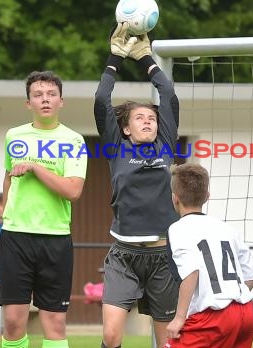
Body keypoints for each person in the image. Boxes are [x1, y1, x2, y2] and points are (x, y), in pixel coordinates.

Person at [94, 22, 180, 348]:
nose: (148, 121)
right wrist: (116, 58)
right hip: (124, 256)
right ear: (126, 129)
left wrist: (146, 57)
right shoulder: (117, 148)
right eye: (140, 118)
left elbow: (168, 94)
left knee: (168, 342)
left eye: (152, 118)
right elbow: (103, 98)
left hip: (163, 257)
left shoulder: (166, 146)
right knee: (111, 335)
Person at [0, 70, 88, 348]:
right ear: (28, 103)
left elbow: (73, 190)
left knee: (55, 323)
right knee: (13, 322)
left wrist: (36, 168)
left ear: (62, 101)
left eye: (51, 94)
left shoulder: (74, 141)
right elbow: (8, 175)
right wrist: (6, 211)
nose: (45, 100)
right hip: (15, 237)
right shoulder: (14, 135)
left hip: (55, 238)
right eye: (38, 95)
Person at [165, 163, 253, 348]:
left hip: (213, 317)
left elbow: (191, 273)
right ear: (207, 196)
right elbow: (251, 274)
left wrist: (179, 318)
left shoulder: (178, 229)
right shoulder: (226, 227)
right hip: (245, 313)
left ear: (174, 198)